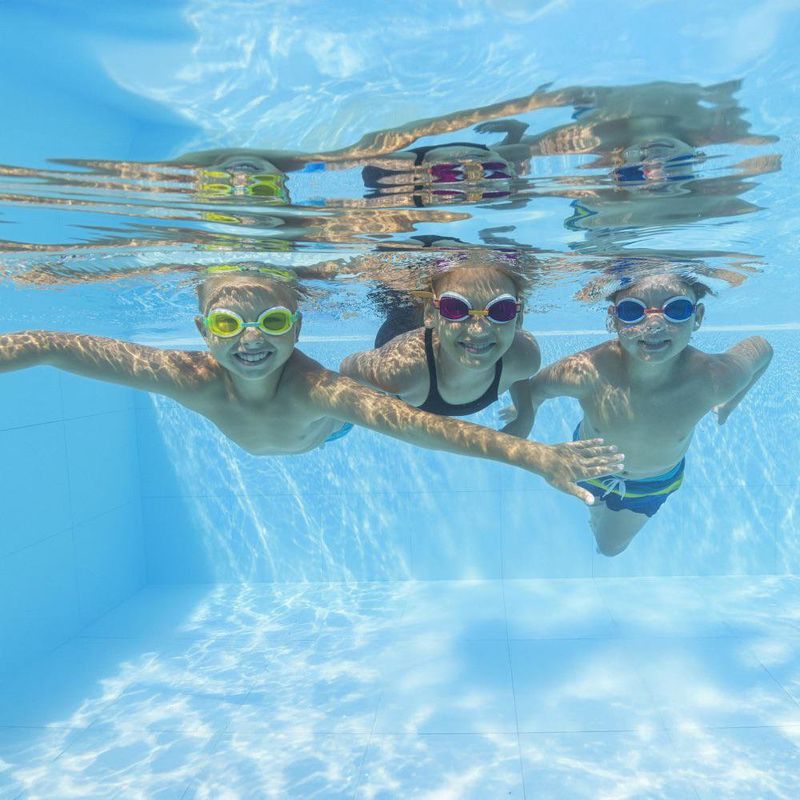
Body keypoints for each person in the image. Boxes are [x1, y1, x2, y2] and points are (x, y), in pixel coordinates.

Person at [0, 266, 623, 502]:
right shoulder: (184, 377)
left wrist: (531, 454)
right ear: (202, 329)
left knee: (375, 392)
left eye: (271, 322)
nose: (250, 341)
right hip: (341, 395)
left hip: (322, 434)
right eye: (227, 323)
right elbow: (50, 345)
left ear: (296, 327)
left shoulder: (316, 390)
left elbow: (422, 426)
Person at [523, 272, 772, 555]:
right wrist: (524, 417)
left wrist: (731, 403)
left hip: (650, 483)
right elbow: (535, 390)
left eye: (676, 310)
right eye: (633, 311)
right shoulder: (586, 371)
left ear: (698, 316)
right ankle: (598, 510)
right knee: (595, 509)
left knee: (608, 547)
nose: (653, 325)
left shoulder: (715, 380)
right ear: (614, 319)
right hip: (587, 466)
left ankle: (601, 519)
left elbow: (762, 349)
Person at [340, 256, 540, 437]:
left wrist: (525, 416)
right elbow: (348, 367)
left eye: (500, 310)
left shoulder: (525, 356)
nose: (479, 330)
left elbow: (519, 374)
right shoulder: (401, 369)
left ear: (519, 317)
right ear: (430, 314)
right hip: (401, 325)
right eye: (455, 307)